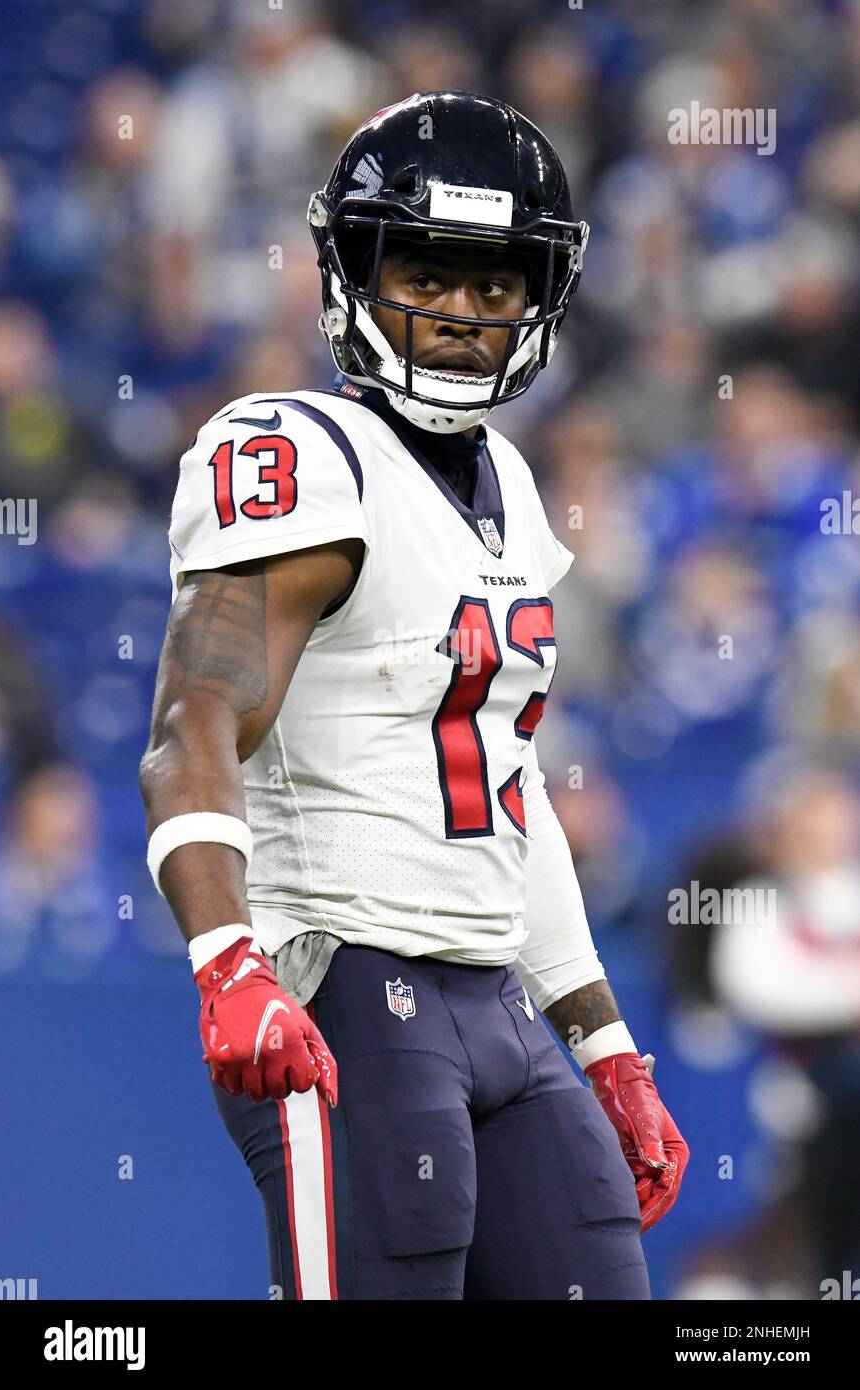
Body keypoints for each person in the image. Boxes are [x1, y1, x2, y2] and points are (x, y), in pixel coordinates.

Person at [140, 91, 688, 1301]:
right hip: (345, 981)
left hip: (495, 996)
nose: (458, 313)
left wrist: (601, 1042)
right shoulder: (298, 451)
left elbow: (506, 779)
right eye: (428, 274)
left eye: (496, 286)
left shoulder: (512, 486)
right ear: (353, 270)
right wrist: (227, 959)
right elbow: (194, 721)